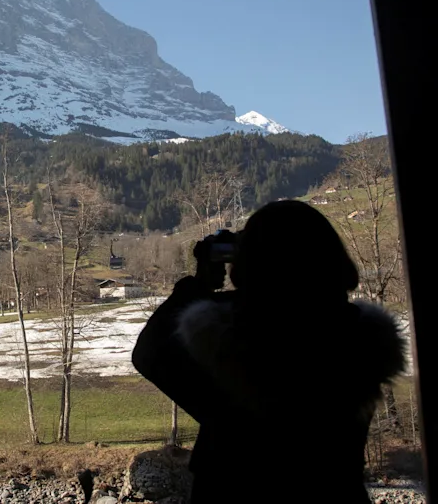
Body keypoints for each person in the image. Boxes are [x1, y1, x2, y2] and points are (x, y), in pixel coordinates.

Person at [132, 200, 406, 504]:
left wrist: (198, 286)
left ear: (252, 268)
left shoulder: (236, 351)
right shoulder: (359, 338)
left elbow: (149, 353)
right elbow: (298, 306)